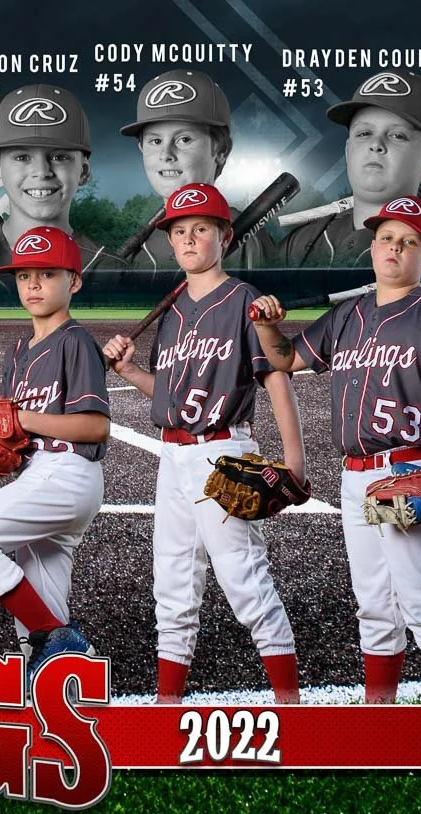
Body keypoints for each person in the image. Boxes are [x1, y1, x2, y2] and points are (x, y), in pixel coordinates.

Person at [250, 195, 421, 703]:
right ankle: (379, 717)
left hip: (412, 467)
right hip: (355, 476)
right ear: (372, 248)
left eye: (409, 242)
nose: (395, 248)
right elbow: (285, 360)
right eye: (386, 238)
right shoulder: (347, 315)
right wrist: (267, 324)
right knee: (374, 605)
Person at [101, 184, 307, 703]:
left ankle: (290, 705)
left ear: (225, 237)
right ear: (170, 242)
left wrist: (294, 462)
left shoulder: (244, 301)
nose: (190, 239)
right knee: (172, 585)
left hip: (222, 453)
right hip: (172, 455)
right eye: (179, 231)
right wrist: (130, 371)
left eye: (201, 229)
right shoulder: (172, 311)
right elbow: (168, 391)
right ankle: (167, 703)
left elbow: (276, 377)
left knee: (245, 581)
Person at [0, 225, 110, 671]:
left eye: (47, 274)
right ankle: (63, 677)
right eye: (23, 275)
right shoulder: (18, 350)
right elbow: (7, 428)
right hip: (39, 474)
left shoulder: (75, 340)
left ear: (74, 282)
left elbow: (95, 427)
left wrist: (23, 419)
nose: (33, 285)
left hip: (67, 474)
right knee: (37, 611)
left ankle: (59, 637)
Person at [0, 84, 125, 304]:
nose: (41, 171)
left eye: (59, 157)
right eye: (22, 157)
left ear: (83, 171)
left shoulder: (111, 271)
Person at [277, 71, 421, 267]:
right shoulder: (298, 243)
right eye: (364, 133)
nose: (375, 144)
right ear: (348, 150)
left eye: (397, 135)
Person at [118, 69, 274, 269]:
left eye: (184, 139)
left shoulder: (243, 232)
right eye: (155, 141)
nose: (166, 154)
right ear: (141, 148)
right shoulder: (143, 246)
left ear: (221, 150)